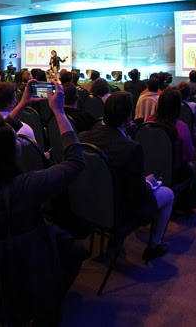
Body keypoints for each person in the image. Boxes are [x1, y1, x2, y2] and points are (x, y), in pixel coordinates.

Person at [0, 81, 86, 325]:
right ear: (6, 155)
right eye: (14, 140)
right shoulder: (23, 186)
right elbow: (76, 162)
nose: (17, 140)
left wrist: (23, 103)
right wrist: (59, 113)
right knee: (76, 249)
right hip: (26, 255)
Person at [78, 91, 174, 263]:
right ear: (128, 117)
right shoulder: (132, 148)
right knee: (168, 193)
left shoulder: (82, 137)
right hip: (117, 212)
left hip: (87, 204)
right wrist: (148, 183)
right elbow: (138, 197)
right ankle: (154, 246)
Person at [146, 88, 196, 187]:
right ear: (178, 107)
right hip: (173, 174)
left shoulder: (147, 123)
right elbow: (188, 156)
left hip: (149, 171)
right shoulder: (181, 127)